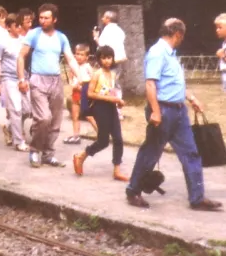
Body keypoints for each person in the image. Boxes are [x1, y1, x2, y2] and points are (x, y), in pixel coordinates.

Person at [125, 18, 222, 211]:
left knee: (192, 153)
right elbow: (150, 84)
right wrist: (155, 111)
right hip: (163, 110)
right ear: (178, 34)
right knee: (151, 152)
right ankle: (133, 190)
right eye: (181, 37)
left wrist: (191, 98)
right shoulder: (157, 53)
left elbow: (173, 83)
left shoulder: (171, 54)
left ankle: (197, 197)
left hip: (178, 111)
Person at [17, 3, 83, 168]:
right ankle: (34, 150)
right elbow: (21, 56)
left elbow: (70, 59)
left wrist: (80, 75)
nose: (43, 21)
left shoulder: (61, 37)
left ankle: (48, 154)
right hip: (37, 80)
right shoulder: (33, 35)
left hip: (55, 81)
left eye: (46, 18)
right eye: (41, 17)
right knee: (43, 118)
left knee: (55, 120)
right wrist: (21, 79)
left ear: (55, 19)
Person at [72, 45, 127, 181]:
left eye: (109, 57)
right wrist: (110, 98)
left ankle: (117, 170)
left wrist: (118, 101)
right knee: (103, 141)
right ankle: (81, 156)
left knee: (118, 139)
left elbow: (110, 91)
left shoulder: (113, 74)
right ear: (99, 59)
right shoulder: (97, 74)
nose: (107, 61)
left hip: (111, 107)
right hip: (99, 108)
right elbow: (90, 93)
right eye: (104, 58)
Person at [0, 13, 28, 151]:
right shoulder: (1, 42)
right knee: (16, 110)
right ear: (8, 27)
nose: (19, 27)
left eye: (20, 24)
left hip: (23, 78)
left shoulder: (24, 40)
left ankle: (9, 127)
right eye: (16, 25)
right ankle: (19, 142)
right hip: (8, 78)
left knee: (27, 109)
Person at [94, 10, 127, 109]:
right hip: (119, 59)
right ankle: (118, 106)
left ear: (108, 19)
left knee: (108, 83)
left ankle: (110, 105)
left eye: (104, 17)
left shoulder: (107, 30)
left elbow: (102, 46)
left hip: (109, 60)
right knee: (116, 83)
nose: (102, 19)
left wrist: (96, 37)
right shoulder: (120, 30)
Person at [64, 43, 95, 144]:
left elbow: (93, 79)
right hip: (76, 92)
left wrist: (86, 88)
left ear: (87, 57)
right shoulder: (74, 67)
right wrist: (74, 85)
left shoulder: (87, 67)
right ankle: (76, 135)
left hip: (85, 91)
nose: (79, 57)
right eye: (77, 54)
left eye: (82, 55)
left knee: (88, 115)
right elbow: (71, 79)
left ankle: (101, 134)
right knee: (75, 115)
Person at [215, 13, 226, 94]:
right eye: (216, 28)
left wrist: (222, 56)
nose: (217, 30)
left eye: (220, 27)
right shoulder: (224, 43)